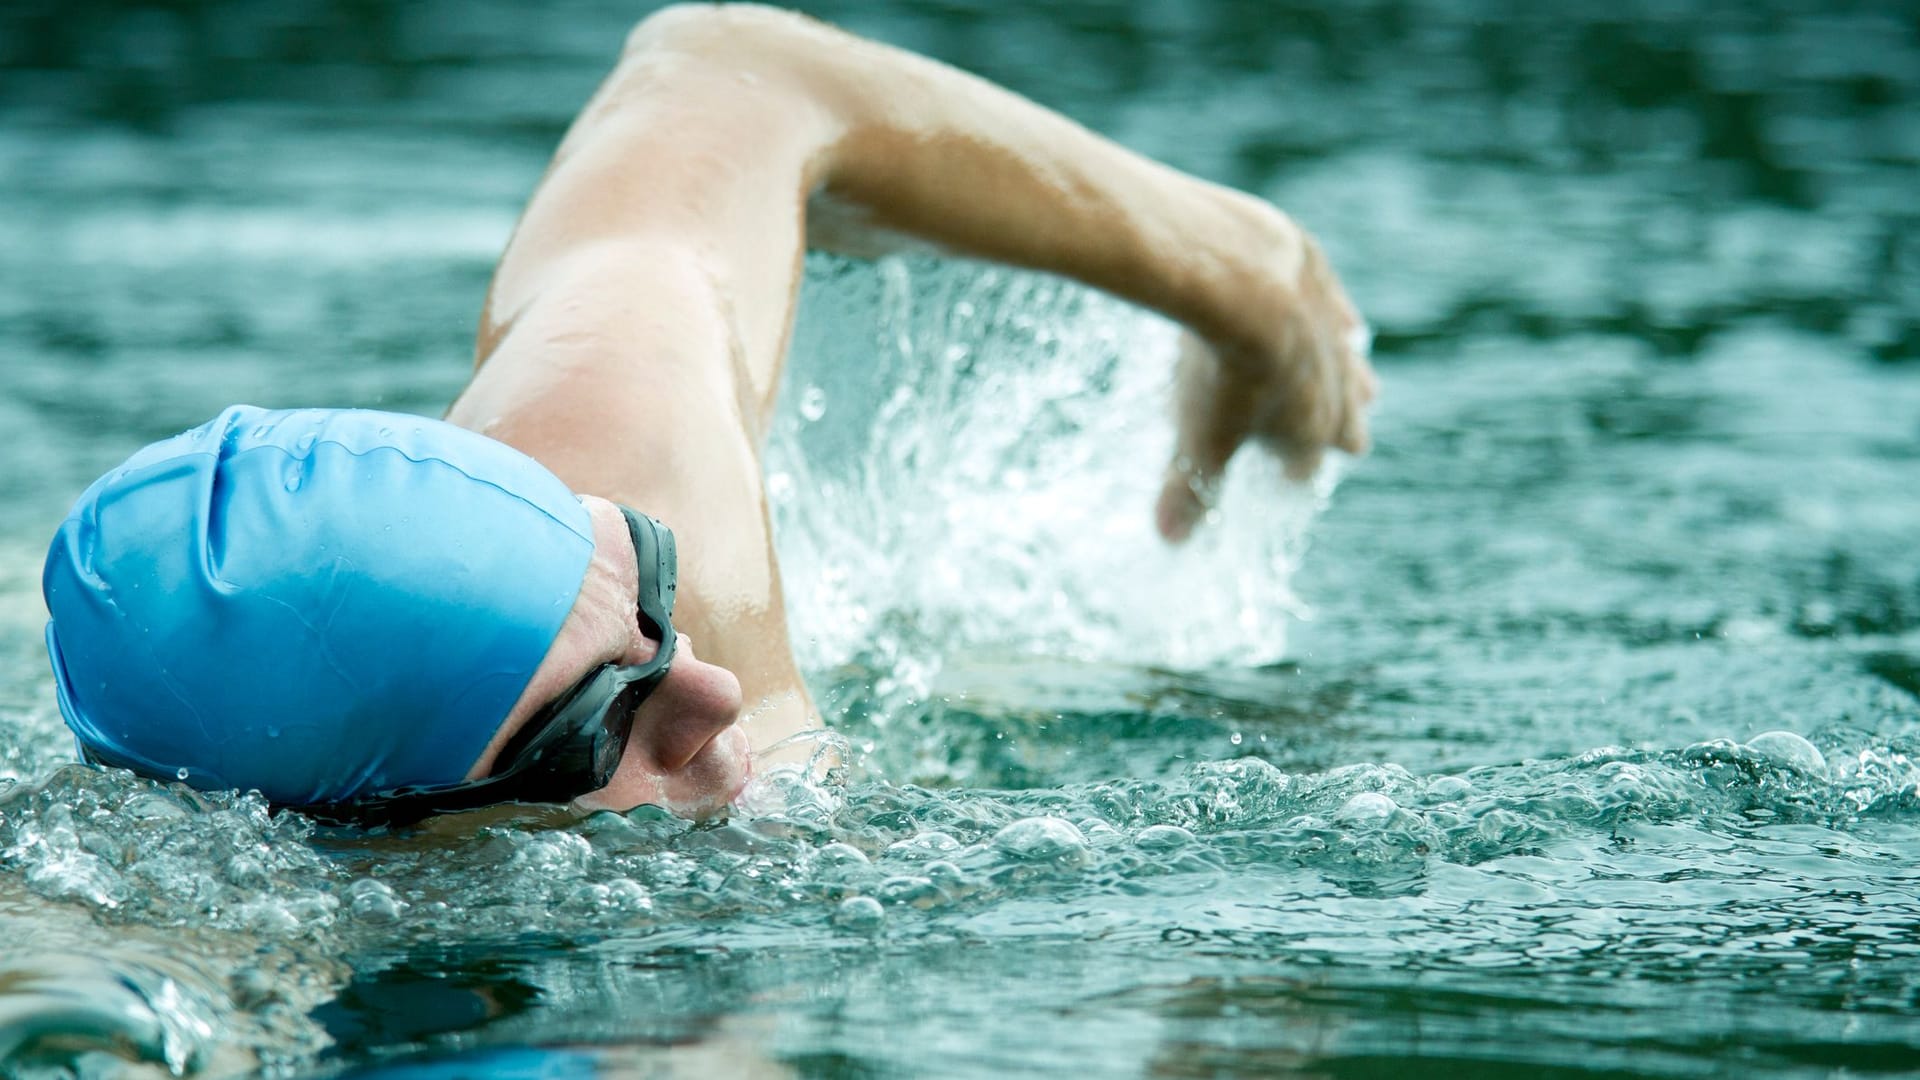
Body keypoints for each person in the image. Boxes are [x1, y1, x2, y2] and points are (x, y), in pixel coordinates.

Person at [40, 4, 1376, 827]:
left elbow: (725, 68)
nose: (713, 690)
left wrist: (1256, 292)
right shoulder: (205, 927)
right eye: (591, 724)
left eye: (644, 602)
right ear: (347, 832)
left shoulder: (641, 477)